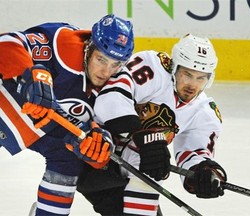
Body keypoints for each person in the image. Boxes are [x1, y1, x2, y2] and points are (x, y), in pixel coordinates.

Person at [76, 34, 228, 215]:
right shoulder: (152, 68)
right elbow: (109, 99)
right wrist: (147, 138)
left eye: (201, 78)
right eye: (187, 74)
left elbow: (194, 152)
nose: (192, 85)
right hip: (92, 155)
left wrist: (204, 172)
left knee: (153, 163)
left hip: (136, 170)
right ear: (174, 67)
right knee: (148, 158)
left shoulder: (204, 111)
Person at [0, 14, 134, 215]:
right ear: (89, 47)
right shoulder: (62, 42)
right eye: (101, 59)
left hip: (47, 129)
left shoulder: (120, 84)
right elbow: (5, 43)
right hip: (7, 105)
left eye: (116, 64)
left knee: (69, 160)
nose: (106, 71)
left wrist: (98, 144)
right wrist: (31, 74)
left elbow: (105, 130)